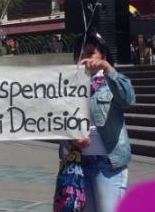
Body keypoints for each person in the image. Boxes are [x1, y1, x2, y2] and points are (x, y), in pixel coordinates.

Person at [61, 31, 135, 212]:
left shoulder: (111, 82)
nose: (84, 59)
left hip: (108, 165)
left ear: (103, 56)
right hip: (78, 164)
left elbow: (128, 99)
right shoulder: (66, 86)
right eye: (79, 54)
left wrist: (109, 69)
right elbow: (58, 123)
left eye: (89, 53)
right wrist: (72, 141)